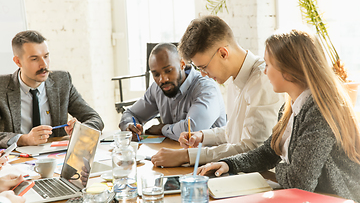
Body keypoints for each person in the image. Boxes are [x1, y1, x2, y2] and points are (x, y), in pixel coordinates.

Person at [197, 28, 360, 202]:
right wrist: (229, 164)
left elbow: (299, 182)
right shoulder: (290, 107)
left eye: (268, 64)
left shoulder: (319, 110)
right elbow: (269, 152)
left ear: (288, 70)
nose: (265, 71)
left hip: (336, 198)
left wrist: (281, 165)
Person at [151, 15, 283, 167]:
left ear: (223, 53)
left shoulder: (262, 81)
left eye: (204, 67)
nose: (202, 74)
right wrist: (202, 136)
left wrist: (187, 156)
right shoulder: (235, 78)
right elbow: (234, 132)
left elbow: (252, 149)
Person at [0, 30, 104, 148]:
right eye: (34, 59)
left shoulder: (62, 81)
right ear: (18, 61)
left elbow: (95, 119)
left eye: (46, 56)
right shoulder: (2, 87)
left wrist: (79, 131)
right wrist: (25, 139)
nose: (44, 65)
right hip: (17, 160)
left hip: (55, 157)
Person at [119, 43, 226, 141]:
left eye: (168, 71)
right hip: (175, 156)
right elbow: (131, 114)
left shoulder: (206, 88)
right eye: (156, 74)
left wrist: (163, 129)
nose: (162, 79)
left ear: (182, 64)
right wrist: (129, 126)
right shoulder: (158, 88)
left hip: (208, 159)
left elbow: (192, 130)